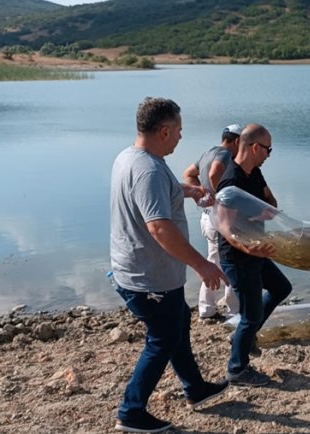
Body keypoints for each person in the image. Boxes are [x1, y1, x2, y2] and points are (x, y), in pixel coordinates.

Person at [109, 97, 230, 433]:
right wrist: (201, 265)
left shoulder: (131, 157)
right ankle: (131, 412)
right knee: (162, 339)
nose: (180, 136)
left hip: (146, 271)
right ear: (163, 130)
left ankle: (195, 388)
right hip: (150, 277)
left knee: (178, 327)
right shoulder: (148, 169)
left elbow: (152, 192)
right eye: (178, 130)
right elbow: (159, 227)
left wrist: (185, 191)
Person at [216, 123, 291, 388]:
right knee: (251, 314)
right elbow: (224, 225)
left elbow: (272, 203)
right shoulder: (231, 180)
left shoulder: (255, 174)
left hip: (256, 249)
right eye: (268, 150)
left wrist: (263, 212)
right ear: (255, 147)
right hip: (238, 255)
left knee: (282, 287)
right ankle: (236, 370)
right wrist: (248, 243)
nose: (269, 155)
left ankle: (243, 337)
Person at [182, 124, 242, 320]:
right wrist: (221, 198)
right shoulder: (225, 155)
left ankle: (207, 309)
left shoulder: (209, 152)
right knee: (230, 262)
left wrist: (201, 192)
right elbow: (214, 172)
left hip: (207, 216)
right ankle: (233, 310)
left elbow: (188, 173)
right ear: (237, 141)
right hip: (218, 218)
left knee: (214, 261)